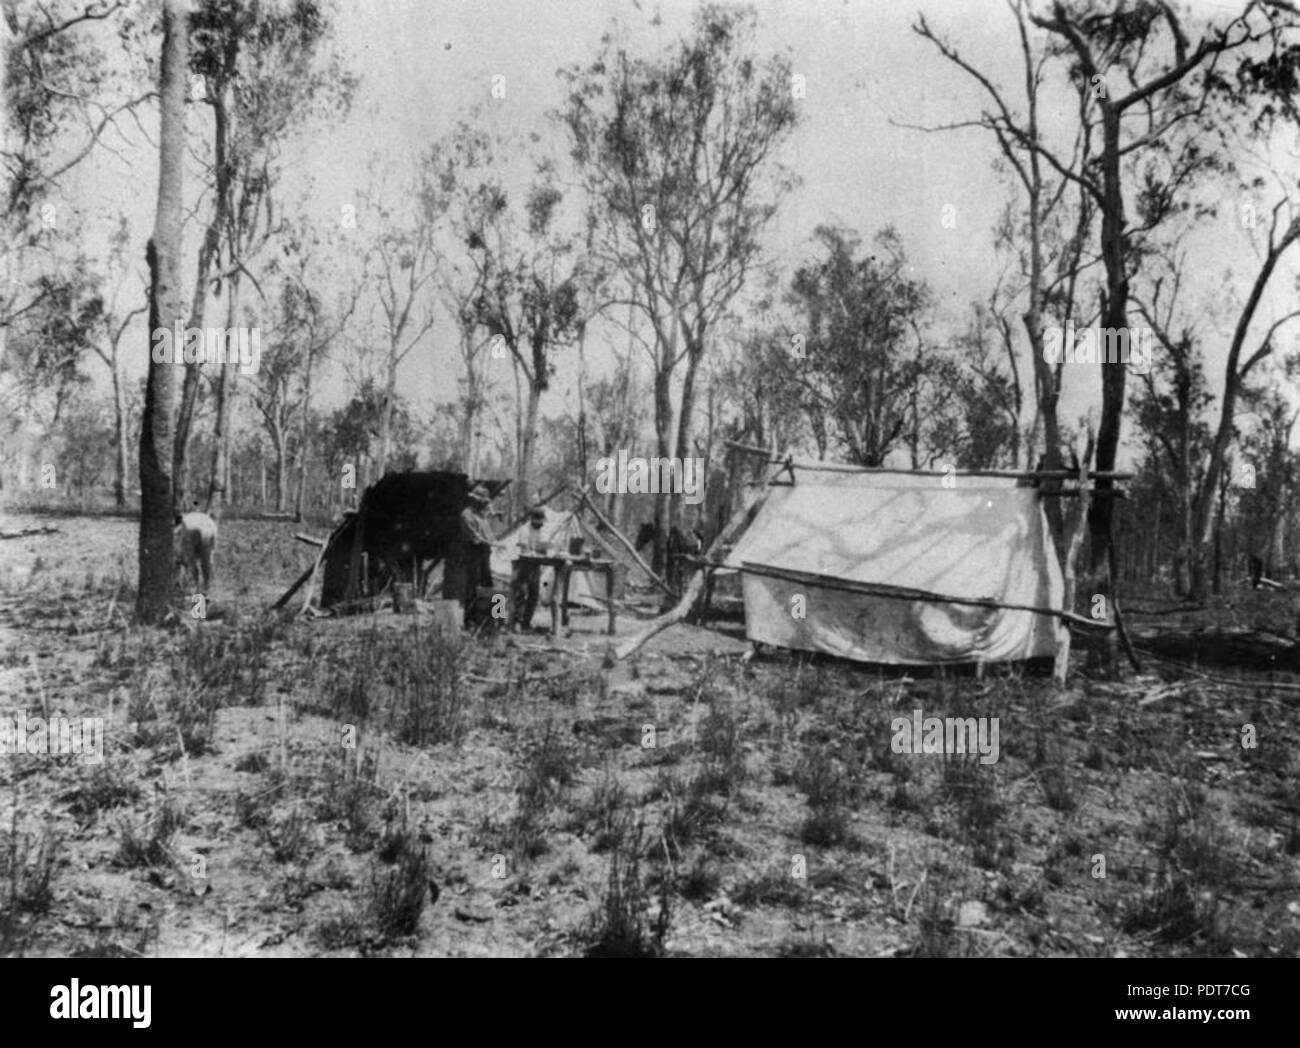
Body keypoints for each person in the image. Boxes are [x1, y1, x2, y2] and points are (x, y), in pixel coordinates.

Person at [512, 505, 549, 631]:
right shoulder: (525, 529)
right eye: (539, 522)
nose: (541, 525)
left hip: (536, 565)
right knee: (521, 592)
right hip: (524, 564)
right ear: (533, 519)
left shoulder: (541, 530)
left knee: (534, 594)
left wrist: (544, 550)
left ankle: (526, 621)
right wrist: (532, 551)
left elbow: (542, 546)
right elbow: (524, 548)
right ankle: (517, 620)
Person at [459, 485, 496, 606]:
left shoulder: (482, 516)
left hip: (485, 556)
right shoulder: (466, 515)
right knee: (473, 586)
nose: (484, 504)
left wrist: (495, 542)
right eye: (482, 502)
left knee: (490, 586)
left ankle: (496, 617)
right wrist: (493, 543)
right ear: (475, 500)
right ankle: (471, 619)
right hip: (473, 555)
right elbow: (476, 538)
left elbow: (489, 535)